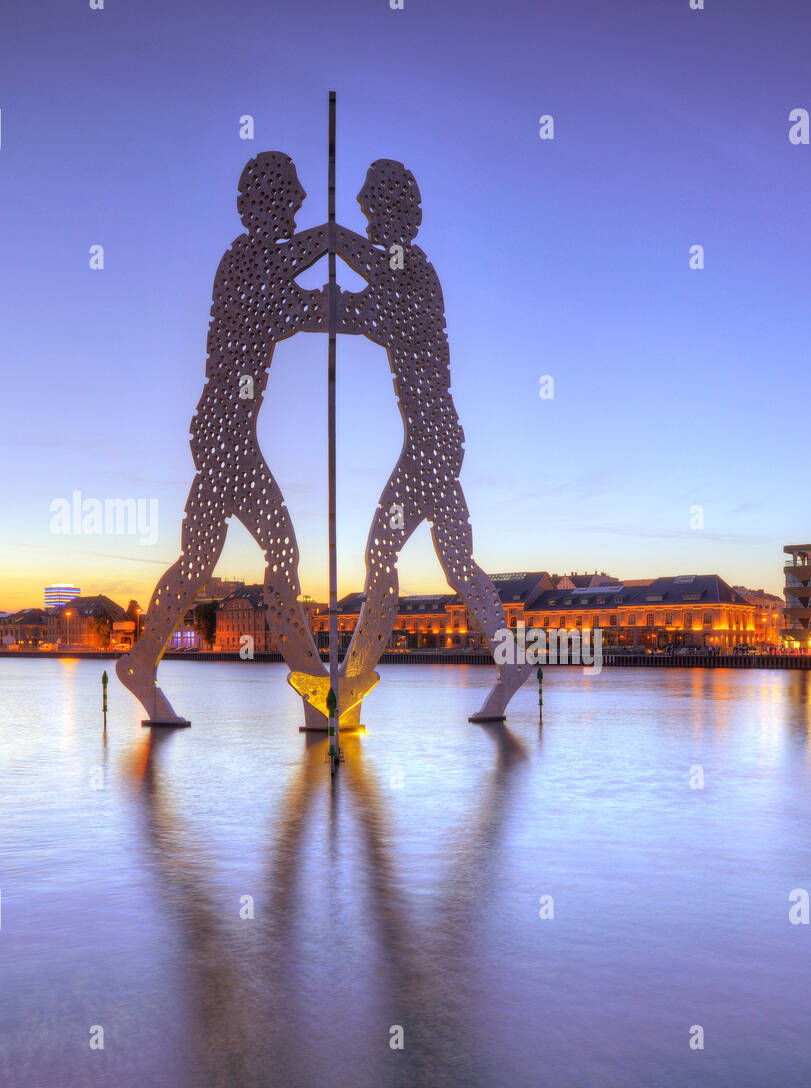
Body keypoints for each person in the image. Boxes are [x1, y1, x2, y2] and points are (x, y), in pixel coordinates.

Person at [289, 159, 532, 727]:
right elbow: (364, 307)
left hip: (430, 440)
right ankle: (510, 662)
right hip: (438, 438)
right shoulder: (405, 271)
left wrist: (329, 244)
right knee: (458, 564)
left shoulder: (411, 270)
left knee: (381, 555)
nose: (370, 224)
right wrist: (328, 292)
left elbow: (369, 309)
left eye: (373, 213)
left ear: (393, 215)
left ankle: (351, 682)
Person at [118, 152, 331, 725]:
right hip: (226, 434)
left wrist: (333, 256)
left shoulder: (255, 261)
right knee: (281, 552)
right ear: (267, 202)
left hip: (223, 431)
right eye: (292, 193)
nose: (302, 201)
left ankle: (141, 661)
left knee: (197, 562)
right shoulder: (245, 262)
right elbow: (295, 305)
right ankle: (316, 693)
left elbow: (295, 291)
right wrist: (336, 247)